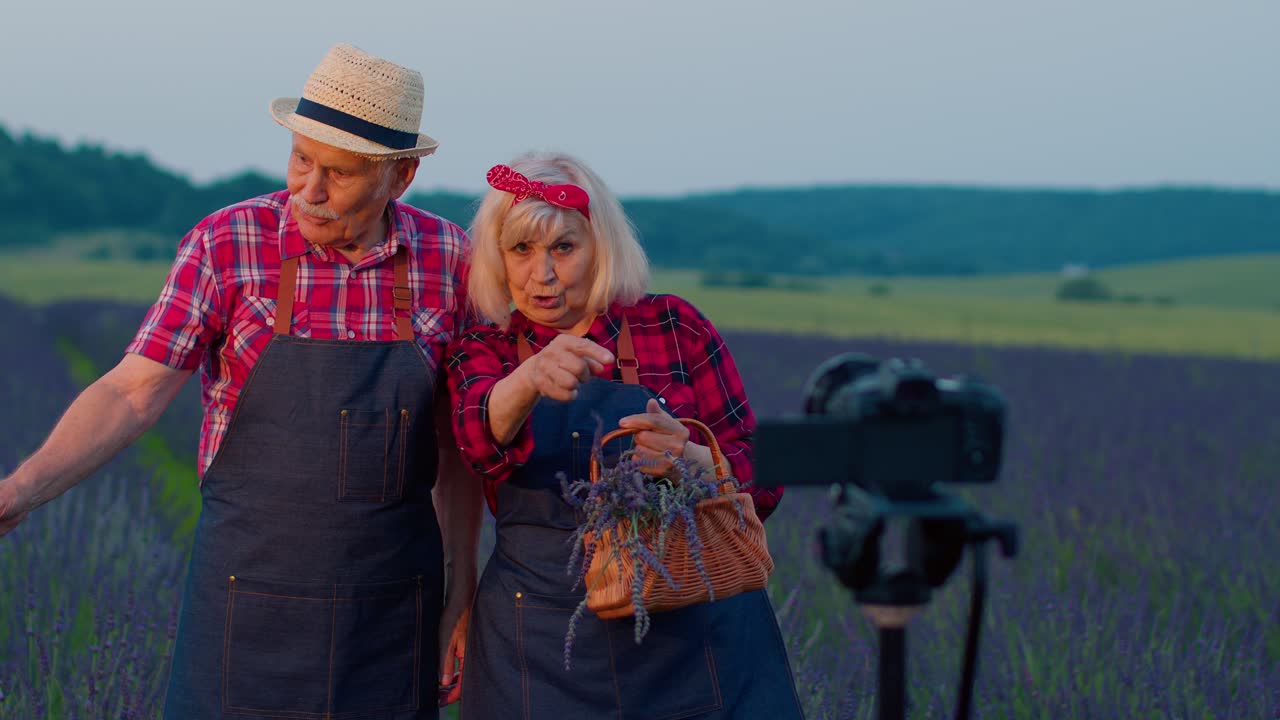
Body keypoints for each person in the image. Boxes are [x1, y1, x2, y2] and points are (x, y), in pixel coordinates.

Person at [0, 43, 481, 719]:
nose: (308, 191)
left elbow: (457, 450)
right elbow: (131, 391)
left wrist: (462, 592)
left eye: (338, 174)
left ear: (400, 177)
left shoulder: (450, 258)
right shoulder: (227, 244)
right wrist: (21, 490)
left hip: (391, 608)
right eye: (301, 160)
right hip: (245, 603)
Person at [443, 152, 805, 719]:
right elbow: (477, 441)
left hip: (693, 638)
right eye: (521, 250)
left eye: (563, 247)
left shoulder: (673, 327)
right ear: (498, 258)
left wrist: (690, 457)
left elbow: (766, 473)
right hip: (540, 644)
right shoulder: (483, 351)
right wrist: (531, 378)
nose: (542, 273)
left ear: (600, 248)